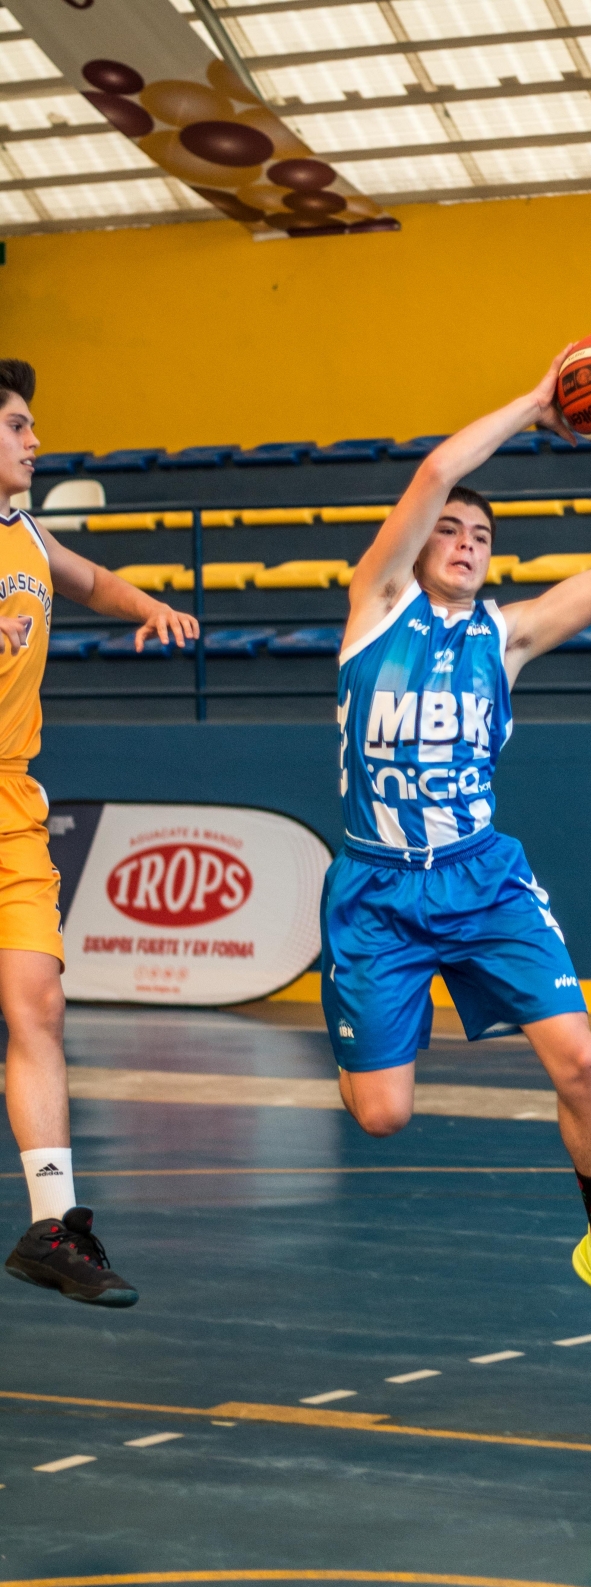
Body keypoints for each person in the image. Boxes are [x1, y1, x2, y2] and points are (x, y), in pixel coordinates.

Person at [322, 349, 591, 1343]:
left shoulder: (507, 637)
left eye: (481, 536)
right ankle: (376, 1016)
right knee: (381, 1117)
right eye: (449, 530)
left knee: (582, 1062)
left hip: (484, 881)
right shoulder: (374, 609)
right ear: (415, 546)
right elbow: (437, 470)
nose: (465, 542)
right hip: (376, 893)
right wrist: (536, 402)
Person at [0, 359, 199, 1307]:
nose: (35, 440)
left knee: (37, 1004)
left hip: (10, 803)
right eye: (18, 425)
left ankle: (52, 1228)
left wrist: (149, 607)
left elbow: (90, 582)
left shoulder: (26, 532)